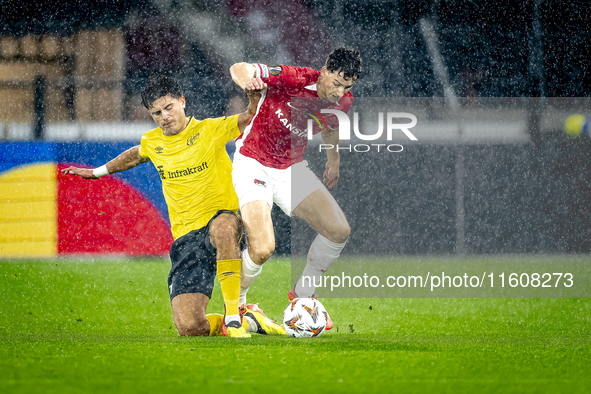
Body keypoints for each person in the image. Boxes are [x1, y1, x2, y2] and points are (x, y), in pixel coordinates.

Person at [62, 75, 286, 338]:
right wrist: (97, 172)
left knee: (224, 227)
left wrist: (254, 97)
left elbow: (249, 117)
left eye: (168, 108)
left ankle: (234, 317)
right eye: (156, 112)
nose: (164, 116)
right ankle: (250, 321)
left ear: (182, 102)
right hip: (186, 238)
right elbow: (135, 154)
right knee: (190, 327)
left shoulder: (210, 129)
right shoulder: (153, 142)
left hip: (222, 219)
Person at [230, 47, 362, 330]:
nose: (340, 92)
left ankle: (303, 296)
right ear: (324, 71)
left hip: (290, 168)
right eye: (336, 83)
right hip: (253, 162)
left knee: (339, 231)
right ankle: (237, 306)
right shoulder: (294, 78)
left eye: (347, 87)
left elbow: (329, 125)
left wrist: (333, 160)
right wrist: (248, 79)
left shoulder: (343, 101)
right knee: (263, 248)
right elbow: (240, 67)